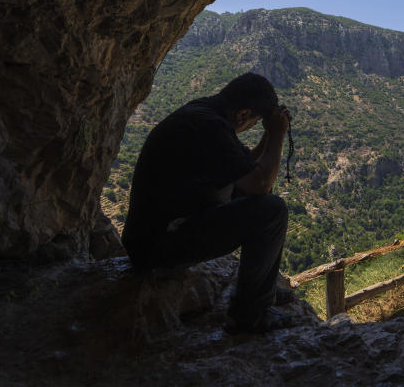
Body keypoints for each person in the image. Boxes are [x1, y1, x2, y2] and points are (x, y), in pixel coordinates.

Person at [121, 72, 292, 333]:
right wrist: (278, 135)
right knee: (272, 209)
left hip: (154, 235)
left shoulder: (203, 114)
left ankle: (261, 290)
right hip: (157, 247)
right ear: (243, 114)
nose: (252, 127)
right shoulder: (209, 127)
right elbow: (261, 184)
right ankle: (250, 315)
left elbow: (243, 169)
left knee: (250, 196)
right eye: (255, 123)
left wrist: (267, 137)